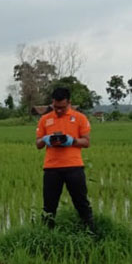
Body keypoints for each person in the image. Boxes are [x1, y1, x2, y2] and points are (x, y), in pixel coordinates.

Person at [35, 87, 95, 232]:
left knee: (81, 202)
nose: (59, 110)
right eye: (56, 107)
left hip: (74, 167)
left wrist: (72, 141)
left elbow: (86, 142)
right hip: (51, 168)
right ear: (52, 103)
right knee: (49, 205)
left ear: (69, 102)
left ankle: (90, 231)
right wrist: (45, 139)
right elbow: (38, 144)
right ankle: (47, 234)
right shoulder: (45, 119)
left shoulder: (80, 118)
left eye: (62, 107)